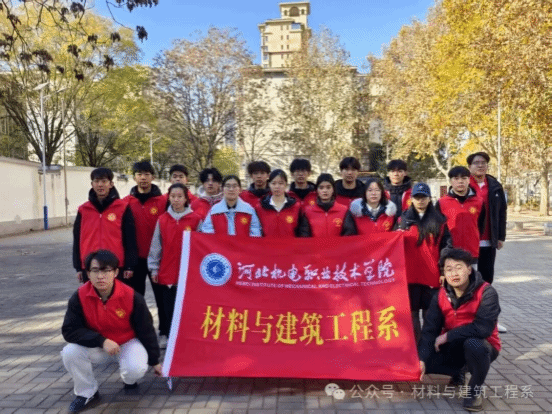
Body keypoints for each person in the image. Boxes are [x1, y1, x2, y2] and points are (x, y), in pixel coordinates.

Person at [61, 250, 161, 414]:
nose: (100, 276)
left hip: (127, 342)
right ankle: (87, 392)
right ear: (88, 273)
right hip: (98, 346)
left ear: (115, 272)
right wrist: (101, 341)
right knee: (70, 352)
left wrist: (155, 361)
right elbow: (69, 330)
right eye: (95, 270)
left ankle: (129, 380)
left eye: (106, 270)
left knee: (136, 368)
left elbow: (146, 329)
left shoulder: (131, 296)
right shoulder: (79, 297)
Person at [419, 248, 501, 412]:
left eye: (459, 267)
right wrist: (421, 360)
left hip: (483, 346)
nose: (454, 273)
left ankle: (474, 390)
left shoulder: (486, 292)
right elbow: (429, 330)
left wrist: (449, 335)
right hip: (453, 345)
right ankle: (458, 372)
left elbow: (483, 329)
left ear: (469, 269)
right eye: (448, 269)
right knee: (422, 359)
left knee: (473, 345)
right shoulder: (440, 295)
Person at [148, 184, 202, 348]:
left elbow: (202, 246)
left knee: (186, 307)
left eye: (180, 196)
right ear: (168, 197)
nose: (176, 200)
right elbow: (156, 246)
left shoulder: (196, 219)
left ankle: (186, 337)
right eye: (173, 196)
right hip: (167, 272)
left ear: (186, 198)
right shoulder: (163, 219)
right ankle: (168, 335)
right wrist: (154, 268)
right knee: (168, 307)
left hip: (188, 272)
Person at [398, 183, 452, 343]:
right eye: (417, 197)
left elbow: (446, 247)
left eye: (424, 197)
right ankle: (416, 346)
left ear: (429, 199)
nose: (420, 201)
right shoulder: (402, 220)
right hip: (409, 276)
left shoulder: (440, 221)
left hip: (432, 275)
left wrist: (443, 271)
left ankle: (428, 345)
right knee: (412, 313)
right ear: (411, 199)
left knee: (430, 313)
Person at [73, 168, 137, 283]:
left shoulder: (122, 207)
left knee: (117, 294)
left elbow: (130, 239)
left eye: (104, 181)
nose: (100, 185)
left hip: (116, 265)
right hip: (90, 265)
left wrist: (129, 265)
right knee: (92, 294)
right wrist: (78, 267)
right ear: (92, 184)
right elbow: (77, 240)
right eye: (96, 181)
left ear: (111, 184)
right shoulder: (83, 210)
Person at [468, 152, 508, 333]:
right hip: (468, 242)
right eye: (476, 163)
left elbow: (502, 213)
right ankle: (467, 319)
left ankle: (489, 320)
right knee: (467, 281)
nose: (480, 165)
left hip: (488, 241)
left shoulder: (495, 186)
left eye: (483, 162)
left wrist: (500, 236)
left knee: (486, 281)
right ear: (470, 167)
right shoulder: (464, 184)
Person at [436, 166, 485, 261]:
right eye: (456, 178)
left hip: (471, 251)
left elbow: (481, 226)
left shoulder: (479, 202)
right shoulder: (442, 202)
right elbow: (437, 228)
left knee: (472, 271)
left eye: (464, 178)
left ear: (469, 180)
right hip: (449, 252)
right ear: (450, 181)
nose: (460, 181)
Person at [255, 169, 302, 237]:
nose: (277, 187)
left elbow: (300, 232)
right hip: (267, 243)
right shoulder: (260, 207)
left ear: (286, 185)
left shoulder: (296, 206)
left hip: (290, 243)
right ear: (269, 185)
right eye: (273, 183)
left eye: (281, 183)